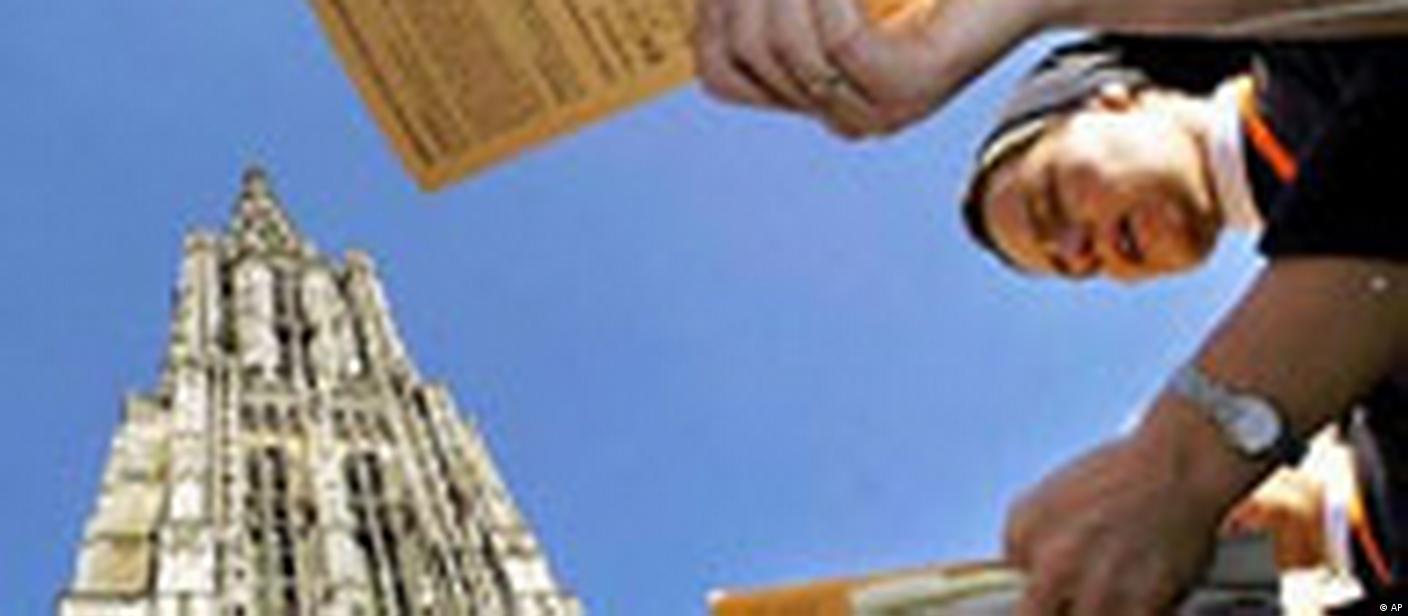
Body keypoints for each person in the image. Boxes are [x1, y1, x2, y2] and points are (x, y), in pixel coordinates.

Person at [691, 0, 1408, 613]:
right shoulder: (1329, 340)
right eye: (1071, 267)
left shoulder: (1312, 57)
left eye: (1050, 203)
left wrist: (1178, 460)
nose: (1078, 249)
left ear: (1110, 99)